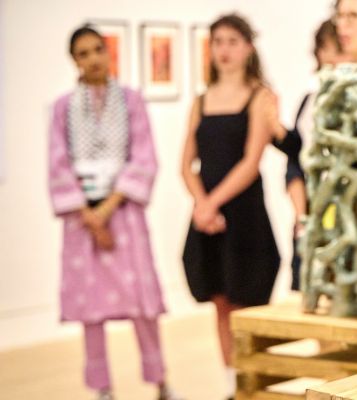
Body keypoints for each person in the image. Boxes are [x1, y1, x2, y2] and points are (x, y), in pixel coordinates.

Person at [48, 25, 180, 400]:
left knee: (143, 302)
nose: (92, 59)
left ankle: (160, 382)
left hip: (124, 213)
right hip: (81, 220)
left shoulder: (131, 101)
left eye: (97, 50)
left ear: (108, 53)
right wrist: (89, 217)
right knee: (91, 309)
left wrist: (107, 208)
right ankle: (102, 389)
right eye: (83, 53)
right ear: (74, 60)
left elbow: (144, 156)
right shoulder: (63, 108)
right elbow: (57, 163)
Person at [180, 14, 283, 400]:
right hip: (210, 218)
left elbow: (250, 162)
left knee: (247, 302)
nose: (224, 49)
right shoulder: (201, 100)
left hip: (242, 216)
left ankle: (255, 382)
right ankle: (231, 386)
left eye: (232, 41)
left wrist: (211, 202)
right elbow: (185, 164)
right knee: (220, 302)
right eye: (218, 41)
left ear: (248, 47)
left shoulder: (260, 96)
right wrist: (202, 205)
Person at [275, 18, 346, 291]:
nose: (328, 57)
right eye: (323, 49)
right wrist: (300, 212)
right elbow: (298, 157)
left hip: (343, 212)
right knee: (309, 290)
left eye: (335, 49)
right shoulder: (310, 100)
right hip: (311, 212)